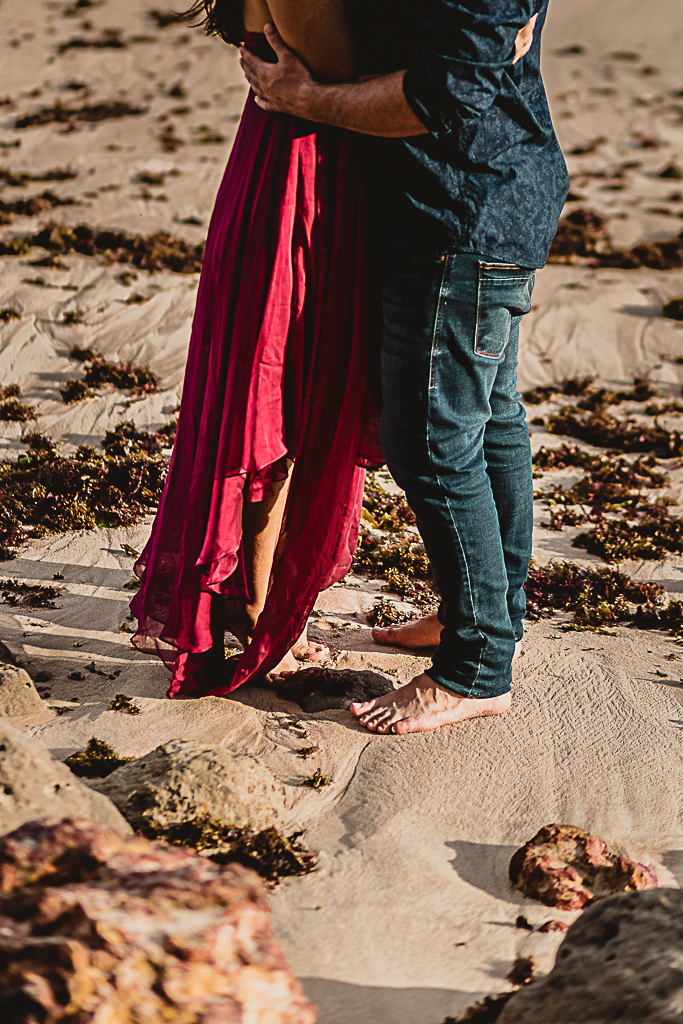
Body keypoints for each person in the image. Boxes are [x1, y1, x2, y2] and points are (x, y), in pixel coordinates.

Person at [240, 0, 570, 734]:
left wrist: (309, 100)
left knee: (431, 442)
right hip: (476, 200)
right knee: (489, 422)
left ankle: (475, 671)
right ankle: (482, 620)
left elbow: (440, 98)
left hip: (461, 211)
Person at [130, 0, 384, 696]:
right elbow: (341, 72)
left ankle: (255, 594)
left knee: (284, 392)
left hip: (314, 167)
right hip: (298, 180)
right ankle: (255, 609)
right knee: (273, 401)